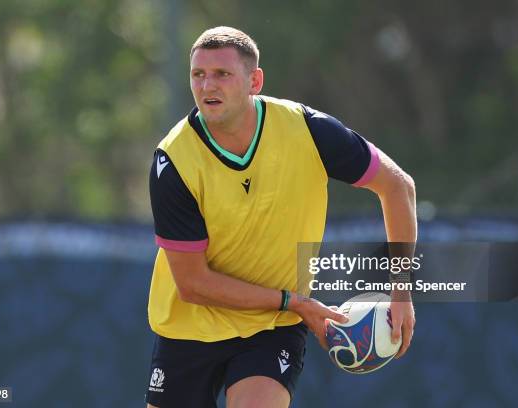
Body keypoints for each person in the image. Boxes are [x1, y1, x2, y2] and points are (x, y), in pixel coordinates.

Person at [146, 26, 416, 408]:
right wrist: (296, 302)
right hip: (190, 325)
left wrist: (400, 292)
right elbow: (193, 284)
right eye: (198, 75)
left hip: (271, 325)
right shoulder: (172, 160)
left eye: (222, 74)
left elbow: (397, 187)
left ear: (254, 80)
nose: (208, 86)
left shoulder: (307, 130)